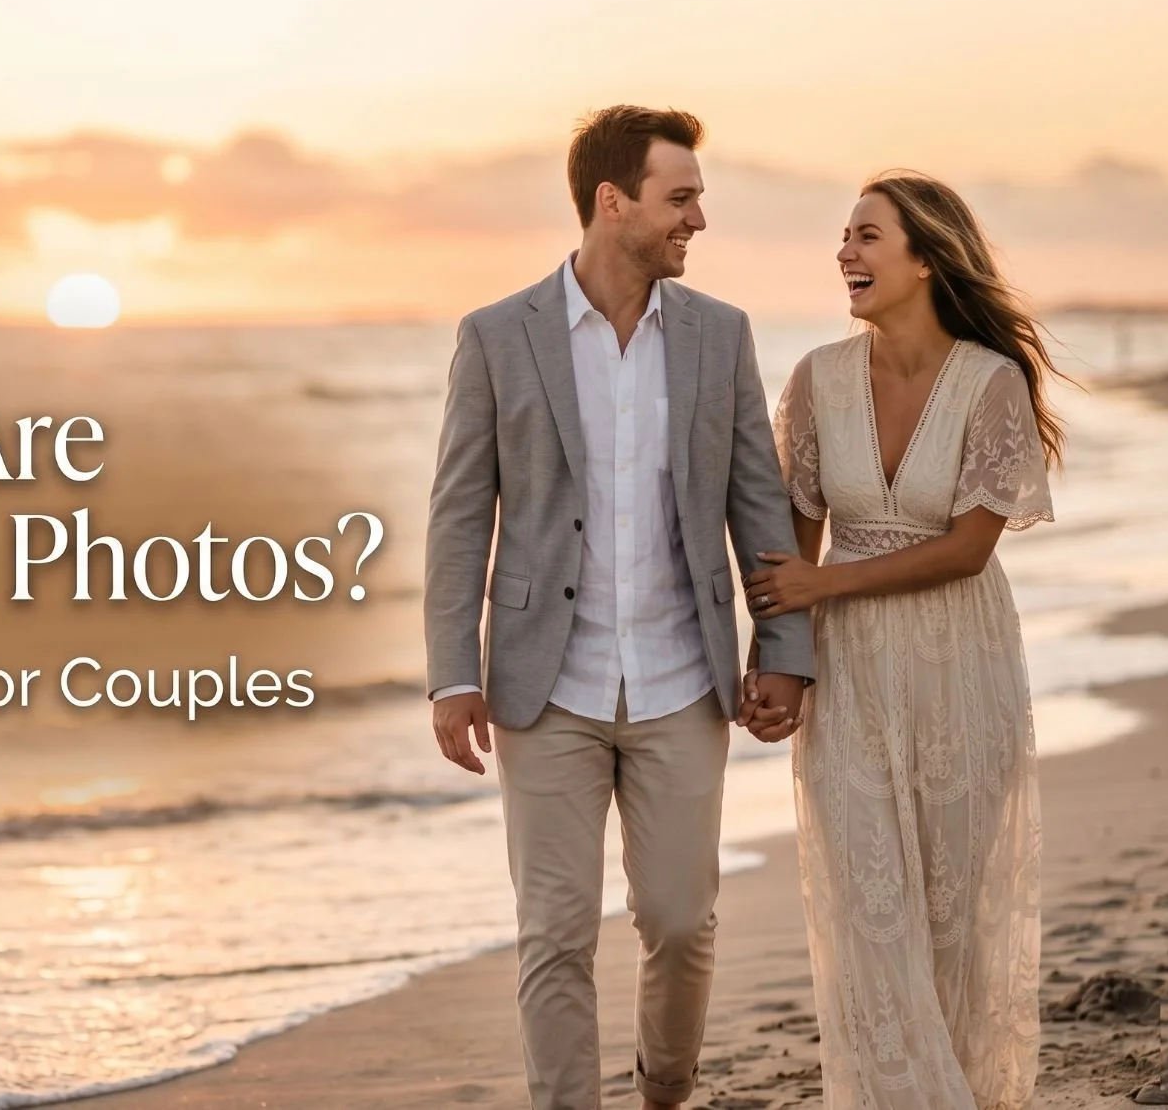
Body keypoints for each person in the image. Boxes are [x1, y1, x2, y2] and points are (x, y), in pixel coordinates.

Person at [423, 104, 814, 1110]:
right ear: (613, 202)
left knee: (681, 920)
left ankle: (662, 1088)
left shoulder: (716, 336)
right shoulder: (495, 337)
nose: (696, 220)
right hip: (541, 684)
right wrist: (453, 675)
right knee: (551, 932)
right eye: (678, 198)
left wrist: (785, 651)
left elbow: (756, 504)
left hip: (681, 679)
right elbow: (458, 516)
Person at [740, 171, 1061, 1109]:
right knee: (869, 915)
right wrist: (778, 665)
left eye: (868, 236)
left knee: (953, 921)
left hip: (960, 666)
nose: (846, 251)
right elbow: (787, 545)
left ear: (926, 257)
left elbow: (966, 548)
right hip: (848, 678)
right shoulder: (814, 381)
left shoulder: (992, 382)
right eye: (844, 235)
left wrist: (825, 583)